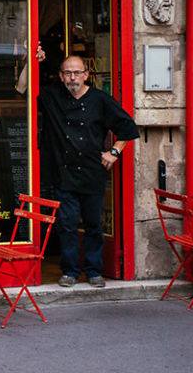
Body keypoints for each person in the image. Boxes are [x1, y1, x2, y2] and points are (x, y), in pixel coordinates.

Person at [37, 55, 139, 288]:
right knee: (68, 224)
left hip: (93, 171)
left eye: (77, 73)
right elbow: (24, 88)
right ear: (61, 76)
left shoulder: (100, 100)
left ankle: (94, 271)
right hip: (63, 173)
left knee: (93, 224)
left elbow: (128, 127)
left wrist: (114, 152)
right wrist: (32, 59)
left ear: (86, 75)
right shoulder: (53, 96)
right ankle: (70, 271)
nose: (72, 78)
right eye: (67, 73)